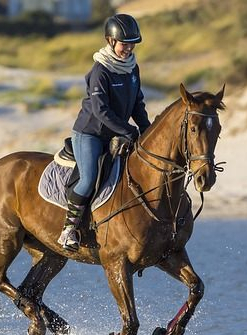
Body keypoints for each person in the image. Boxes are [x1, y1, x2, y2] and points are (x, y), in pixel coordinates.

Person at [58, 13, 151, 251]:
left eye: (132, 44)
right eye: (124, 43)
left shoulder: (132, 68)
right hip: (90, 133)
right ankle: (69, 229)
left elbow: (137, 103)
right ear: (110, 41)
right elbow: (101, 111)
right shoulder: (100, 71)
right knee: (89, 178)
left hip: (117, 133)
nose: (128, 48)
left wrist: (146, 130)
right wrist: (127, 130)